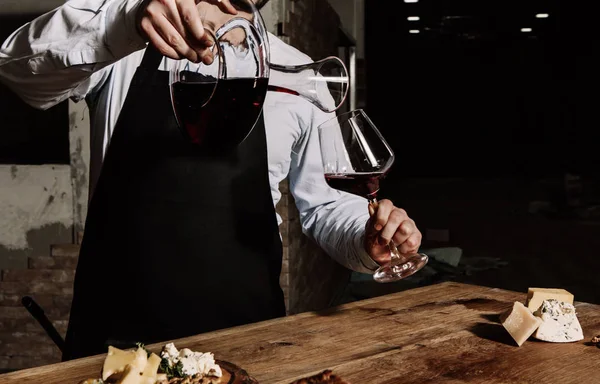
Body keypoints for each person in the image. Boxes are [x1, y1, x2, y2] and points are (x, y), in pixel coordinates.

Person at [0, 0, 423, 360]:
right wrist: (126, 22)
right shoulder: (128, 39)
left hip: (245, 337)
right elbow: (17, 70)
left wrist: (367, 237)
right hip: (116, 341)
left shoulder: (300, 72)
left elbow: (325, 205)